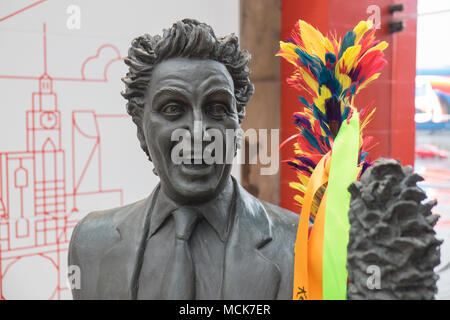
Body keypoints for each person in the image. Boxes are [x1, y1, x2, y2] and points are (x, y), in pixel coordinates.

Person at [68, 18, 299, 300]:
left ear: (238, 125)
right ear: (141, 129)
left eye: (216, 109)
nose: (199, 133)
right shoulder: (90, 242)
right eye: (173, 109)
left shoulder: (300, 243)